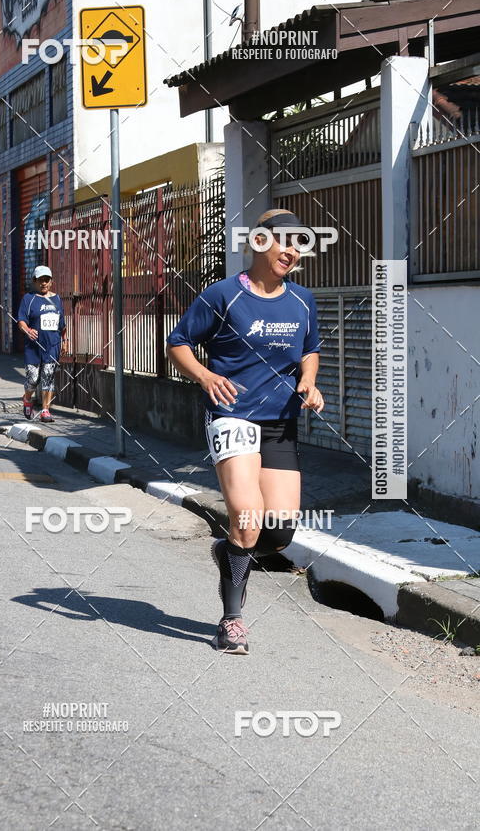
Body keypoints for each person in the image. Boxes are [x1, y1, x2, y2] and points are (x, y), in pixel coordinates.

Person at [166, 209, 324, 655]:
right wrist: (205, 377)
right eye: (285, 241)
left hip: (279, 422)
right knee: (248, 519)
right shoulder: (222, 296)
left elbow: (310, 350)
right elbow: (177, 341)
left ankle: (227, 551)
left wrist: (308, 381)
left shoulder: (301, 300)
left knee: (278, 533)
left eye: (300, 244)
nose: (293, 251)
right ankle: (231, 621)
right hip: (232, 417)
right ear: (258, 243)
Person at [17, 265, 67, 422]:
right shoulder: (29, 299)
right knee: (32, 379)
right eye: (40, 280)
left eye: (47, 280)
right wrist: (28, 330)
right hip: (33, 347)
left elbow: (62, 324)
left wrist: (65, 341)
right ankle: (27, 399)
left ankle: (45, 410)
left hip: (52, 345)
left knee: (48, 377)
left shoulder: (57, 299)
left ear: (51, 281)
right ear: (34, 281)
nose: (44, 283)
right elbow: (21, 321)